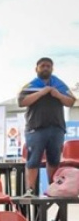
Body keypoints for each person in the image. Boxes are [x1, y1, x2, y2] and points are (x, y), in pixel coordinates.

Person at [18, 57, 77, 196]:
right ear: (36, 69)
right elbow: (22, 101)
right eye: (42, 66)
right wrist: (42, 92)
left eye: (48, 66)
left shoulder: (59, 85)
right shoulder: (31, 85)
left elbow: (71, 102)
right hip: (35, 128)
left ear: (52, 68)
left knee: (54, 159)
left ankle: (53, 189)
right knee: (33, 160)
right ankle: (30, 190)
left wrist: (58, 95)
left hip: (56, 128)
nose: (45, 68)